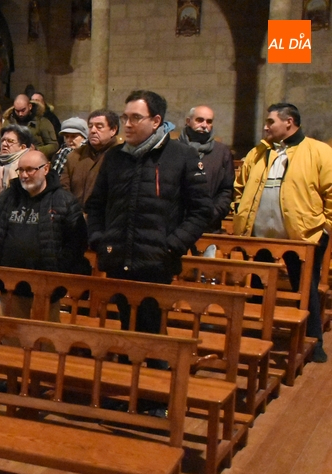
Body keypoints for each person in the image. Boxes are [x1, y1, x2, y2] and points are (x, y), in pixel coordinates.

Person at [85, 90, 211, 340]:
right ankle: (127, 370)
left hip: (157, 260)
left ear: (155, 121)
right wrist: (100, 239)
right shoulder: (115, 157)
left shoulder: (181, 156)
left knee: (152, 329)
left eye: (135, 118)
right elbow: (96, 205)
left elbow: (201, 210)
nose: (127, 124)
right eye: (125, 117)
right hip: (118, 256)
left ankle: (156, 370)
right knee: (126, 326)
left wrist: (173, 245)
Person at [234, 102, 332, 363]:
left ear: (289, 122)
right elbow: (239, 187)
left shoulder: (319, 151)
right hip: (259, 236)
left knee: (306, 288)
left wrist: (325, 228)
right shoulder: (259, 152)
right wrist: (239, 212)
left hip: (303, 238)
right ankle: (253, 338)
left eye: (271, 121)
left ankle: (313, 341)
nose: (265, 126)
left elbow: (331, 192)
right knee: (256, 287)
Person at [0, 150, 89, 319]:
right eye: (21, 170)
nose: (24, 175)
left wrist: (59, 271)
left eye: (30, 170)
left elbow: (77, 243)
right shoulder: (7, 198)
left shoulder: (64, 200)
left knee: (45, 339)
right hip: (10, 284)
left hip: (46, 286)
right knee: (11, 338)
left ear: (46, 169)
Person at [179, 105, 234, 234]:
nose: (204, 125)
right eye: (199, 120)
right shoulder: (174, 148)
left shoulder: (222, 152)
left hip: (209, 225)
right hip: (176, 225)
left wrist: (212, 214)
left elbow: (226, 190)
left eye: (209, 122)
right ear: (188, 121)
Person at [61, 109, 120, 206]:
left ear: (113, 130)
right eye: (90, 126)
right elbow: (63, 189)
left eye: (99, 127)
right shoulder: (74, 156)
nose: (93, 131)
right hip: (75, 217)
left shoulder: (121, 157)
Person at [3, 94, 58, 158]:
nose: (20, 114)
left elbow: (54, 145)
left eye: (23, 110)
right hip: (12, 159)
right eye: (17, 111)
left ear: (30, 106)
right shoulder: (9, 122)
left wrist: (37, 150)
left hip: (35, 160)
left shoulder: (42, 122)